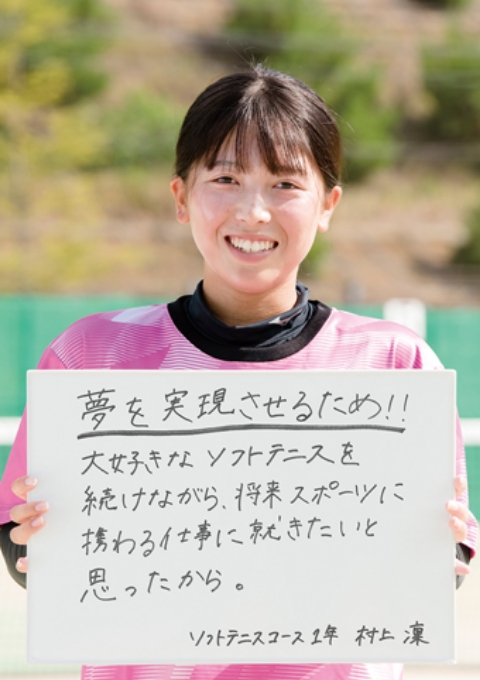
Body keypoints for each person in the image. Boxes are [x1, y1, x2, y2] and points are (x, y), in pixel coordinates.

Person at [0, 64, 477, 680]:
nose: (253, 211)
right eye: (225, 178)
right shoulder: (91, 356)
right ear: (181, 197)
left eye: (285, 184)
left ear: (328, 205)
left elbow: (438, 566)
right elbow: (22, 543)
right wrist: (33, 541)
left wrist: (440, 549)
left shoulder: (395, 365)